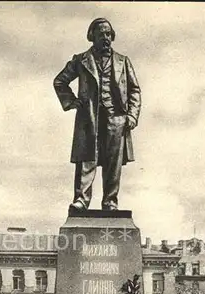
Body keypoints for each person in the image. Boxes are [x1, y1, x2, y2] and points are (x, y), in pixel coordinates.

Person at [53, 18, 141, 211]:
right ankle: (81, 201)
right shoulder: (80, 60)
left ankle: (110, 202)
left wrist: (132, 116)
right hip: (89, 118)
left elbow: (135, 90)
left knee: (113, 164)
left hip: (116, 119)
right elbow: (60, 81)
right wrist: (71, 101)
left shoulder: (123, 61)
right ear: (92, 36)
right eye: (101, 34)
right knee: (86, 160)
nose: (106, 38)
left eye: (109, 34)